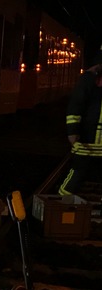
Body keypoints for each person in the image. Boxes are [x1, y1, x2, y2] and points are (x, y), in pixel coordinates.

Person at [58, 46, 102, 196]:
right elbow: (76, 108)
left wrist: (73, 132)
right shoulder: (89, 80)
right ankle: (62, 206)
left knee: (77, 175)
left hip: (87, 143)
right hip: (87, 142)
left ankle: (61, 206)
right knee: (77, 175)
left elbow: (75, 107)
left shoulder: (88, 80)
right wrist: (73, 132)